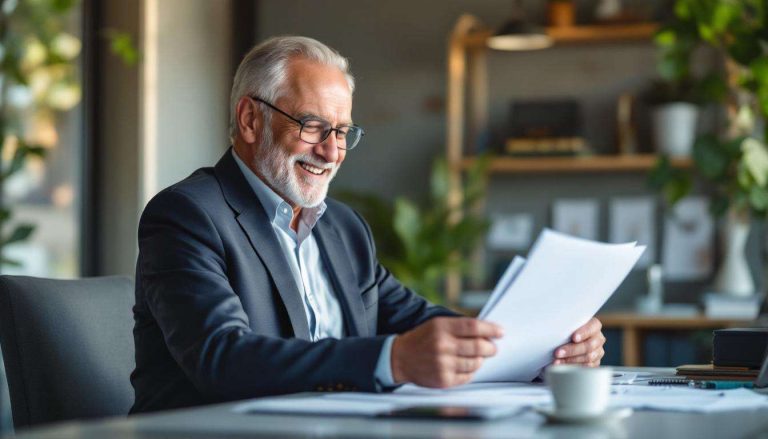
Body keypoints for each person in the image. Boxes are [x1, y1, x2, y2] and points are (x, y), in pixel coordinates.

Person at [130, 36, 606, 414]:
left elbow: (419, 323)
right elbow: (222, 358)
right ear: (251, 120)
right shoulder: (188, 215)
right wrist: (392, 360)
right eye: (313, 126)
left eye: (341, 133)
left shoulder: (342, 228)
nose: (332, 152)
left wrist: (542, 346)